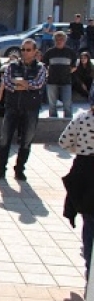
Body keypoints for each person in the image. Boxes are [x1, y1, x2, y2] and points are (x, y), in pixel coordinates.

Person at [0, 39, 47, 181]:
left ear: (35, 51)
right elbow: (8, 83)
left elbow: (38, 84)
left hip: (31, 108)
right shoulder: (12, 66)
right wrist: (26, 85)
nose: (24, 52)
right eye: (23, 49)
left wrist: (23, 84)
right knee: (4, 140)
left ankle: (19, 170)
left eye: (28, 50)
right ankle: (0, 170)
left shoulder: (40, 68)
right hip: (12, 108)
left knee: (27, 140)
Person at [59, 91, 94, 278]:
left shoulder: (82, 118)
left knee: (89, 219)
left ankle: (89, 263)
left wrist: (80, 149)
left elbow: (64, 142)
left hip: (84, 168)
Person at [43, 31, 77, 119]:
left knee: (67, 104)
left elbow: (74, 66)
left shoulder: (70, 52)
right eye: (57, 39)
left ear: (65, 40)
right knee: (52, 104)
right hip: (52, 81)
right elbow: (44, 65)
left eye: (61, 39)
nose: (59, 41)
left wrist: (67, 71)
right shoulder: (49, 52)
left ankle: (68, 122)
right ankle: (53, 123)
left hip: (66, 81)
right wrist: (48, 72)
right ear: (54, 40)